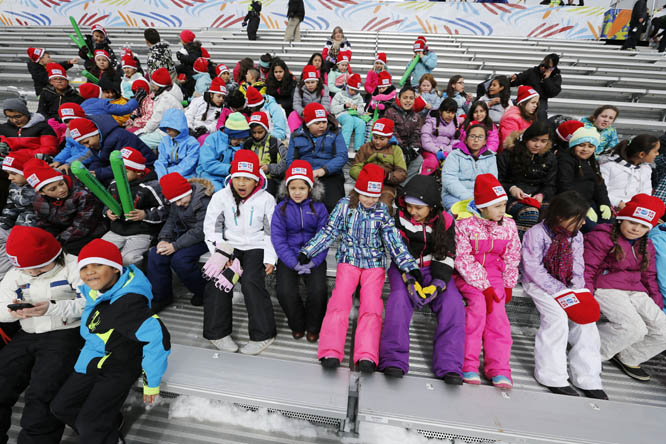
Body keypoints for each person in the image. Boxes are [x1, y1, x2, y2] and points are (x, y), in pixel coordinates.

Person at [300, 164, 421, 372]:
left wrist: (409, 265)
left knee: (372, 306)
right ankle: (331, 350)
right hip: (349, 259)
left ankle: (367, 354)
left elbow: (393, 239)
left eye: (374, 196)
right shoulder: (345, 206)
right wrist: (308, 251)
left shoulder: (382, 210)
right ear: (357, 191)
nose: (370, 200)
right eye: (366, 195)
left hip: (374, 263)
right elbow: (329, 231)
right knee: (339, 301)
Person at [50, 238, 171, 444]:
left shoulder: (128, 302)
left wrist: (151, 383)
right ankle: (110, 425)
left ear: (115, 268)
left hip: (121, 363)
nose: (90, 272)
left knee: (90, 423)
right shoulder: (94, 291)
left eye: (98, 264)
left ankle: (105, 435)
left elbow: (159, 339)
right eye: (85, 267)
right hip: (94, 356)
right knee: (61, 407)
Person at [0, 226, 83, 444]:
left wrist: (51, 308)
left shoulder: (76, 267)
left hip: (65, 333)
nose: (34, 273)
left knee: (42, 393)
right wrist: (12, 311)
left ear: (56, 254)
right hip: (27, 332)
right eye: (28, 269)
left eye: (40, 267)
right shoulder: (15, 274)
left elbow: (91, 304)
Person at [379, 175, 465, 383]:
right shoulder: (400, 219)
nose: (412, 212)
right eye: (409, 206)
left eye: (418, 208)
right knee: (399, 300)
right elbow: (399, 250)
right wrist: (410, 279)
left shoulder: (445, 221)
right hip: (405, 267)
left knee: (454, 305)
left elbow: (446, 252)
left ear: (431, 206)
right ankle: (393, 359)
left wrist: (438, 283)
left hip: (434, 267)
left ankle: (449, 365)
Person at [521, 191, 607, 399]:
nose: (583, 222)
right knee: (557, 318)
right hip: (539, 284)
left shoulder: (576, 235)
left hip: (566, 285)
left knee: (586, 321)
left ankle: (588, 378)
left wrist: (576, 289)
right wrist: (560, 291)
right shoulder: (536, 233)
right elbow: (533, 268)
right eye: (578, 218)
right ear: (561, 216)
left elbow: (578, 264)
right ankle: (552, 376)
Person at [584, 194, 666, 381]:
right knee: (633, 328)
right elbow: (587, 269)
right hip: (607, 288)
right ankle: (589, 353)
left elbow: (649, 276)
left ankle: (629, 355)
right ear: (621, 218)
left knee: (664, 329)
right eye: (632, 222)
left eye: (644, 226)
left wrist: (657, 303)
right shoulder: (602, 237)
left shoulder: (647, 245)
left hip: (636, 291)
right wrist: (586, 296)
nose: (636, 229)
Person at [202, 150, 277, 355]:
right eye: (237, 178)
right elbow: (212, 228)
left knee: (252, 281)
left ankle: (263, 334)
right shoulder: (221, 197)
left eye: (247, 178)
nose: (241, 183)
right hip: (229, 246)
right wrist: (221, 254)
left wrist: (270, 258)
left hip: (256, 246)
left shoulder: (267, 199)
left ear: (256, 180)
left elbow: (273, 232)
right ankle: (218, 333)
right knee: (218, 279)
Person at [454, 174, 521, 389]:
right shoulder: (464, 225)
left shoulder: (508, 225)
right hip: (469, 276)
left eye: (504, 205)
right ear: (482, 207)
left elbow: (512, 256)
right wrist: (484, 286)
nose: (502, 211)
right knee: (477, 310)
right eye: (497, 206)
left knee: (498, 317)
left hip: (495, 274)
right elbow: (462, 258)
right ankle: (468, 364)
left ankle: (499, 368)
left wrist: (508, 284)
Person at [271, 161, 328, 341]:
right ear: (286, 188)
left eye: (302, 188)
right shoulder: (281, 209)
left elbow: (324, 237)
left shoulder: (319, 208)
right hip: (290, 255)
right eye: (293, 188)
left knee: (318, 290)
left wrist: (314, 261)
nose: (297, 192)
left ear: (310, 188)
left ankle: (313, 325)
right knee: (285, 291)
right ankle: (297, 324)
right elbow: (278, 239)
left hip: (313, 255)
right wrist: (292, 263)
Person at [147, 172, 212, 311]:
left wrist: (175, 246)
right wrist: (164, 239)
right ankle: (161, 296)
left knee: (181, 260)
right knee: (155, 254)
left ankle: (203, 291)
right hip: (184, 235)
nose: (178, 204)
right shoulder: (178, 203)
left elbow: (201, 230)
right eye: (174, 201)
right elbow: (171, 220)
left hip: (205, 237)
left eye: (180, 199)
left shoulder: (204, 200)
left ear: (188, 190)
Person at [24, 158, 107, 255]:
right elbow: (42, 222)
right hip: (64, 233)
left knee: (63, 251)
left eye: (61, 184)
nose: (61, 190)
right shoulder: (38, 200)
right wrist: (48, 237)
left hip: (90, 231)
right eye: (53, 189)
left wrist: (58, 240)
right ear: (41, 192)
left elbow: (82, 225)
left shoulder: (81, 195)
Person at [101, 147, 166, 266]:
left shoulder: (151, 187)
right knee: (100, 253)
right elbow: (107, 203)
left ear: (138, 172)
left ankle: (135, 279)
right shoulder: (113, 184)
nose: (119, 175)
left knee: (128, 259)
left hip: (141, 232)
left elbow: (165, 209)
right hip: (116, 231)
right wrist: (108, 212)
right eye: (116, 171)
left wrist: (145, 214)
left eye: (124, 172)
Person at [498, 121, 557, 237]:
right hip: (511, 197)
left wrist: (542, 194)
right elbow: (498, 180)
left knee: (554, 212)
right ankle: (518, 246)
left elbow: (551, 184)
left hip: (538, 197)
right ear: (526, 139)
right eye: (534, 140)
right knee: (530, 213)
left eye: (543, 141)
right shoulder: (509, 154)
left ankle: (544, 249)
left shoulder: (549, 158)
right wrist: (511, 188)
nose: (538, 145)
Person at [286, 103, 347, 213]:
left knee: (332, 204)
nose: (322, 125)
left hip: (329, 173)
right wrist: (302, 173)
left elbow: (342, 156)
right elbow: (291, 160)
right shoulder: (296, 135)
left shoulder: (335, 133)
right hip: (304, 174)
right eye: (317, 123)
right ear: (308, 124)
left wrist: (323, 170)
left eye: (324, 122)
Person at [68, 116, 156, 186]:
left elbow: (125, 164)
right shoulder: (96, 142)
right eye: (83, 144)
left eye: (86, 142)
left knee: (113, 185)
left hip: (143, 168)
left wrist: (99, 173)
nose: (87, 146)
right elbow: (99, 159)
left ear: (95, 134)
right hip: (121, 168)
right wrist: (92, 172)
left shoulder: (120, 137)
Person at [557, 127, 612, 232]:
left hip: (590, 203)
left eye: (590, 146)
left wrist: (605, 203)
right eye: (581, 145)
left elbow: (599, 185)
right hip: (572, 203)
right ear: (573, 145)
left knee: (608, 225)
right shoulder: (566, 160)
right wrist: (583, 207)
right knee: (591, 227)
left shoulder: (592, 162)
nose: (585, 149)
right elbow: (564, 186)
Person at [350, 118, 407, 212]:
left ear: (388, 138)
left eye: (382, 139)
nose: (377, 142)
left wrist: (386, 176)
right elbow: (354, 168)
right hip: (364, 184)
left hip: (385, 186)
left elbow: (402, 173)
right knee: (352, 201)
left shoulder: (395, 150)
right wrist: (367, 176)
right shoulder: (365, 148)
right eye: (375, 137)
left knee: (384, 205)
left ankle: (381, 225)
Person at [441, 123, 498, 210]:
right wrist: (469, 197)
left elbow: (491, 181)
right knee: (462, 212)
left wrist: (481, 199)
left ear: (485, 141)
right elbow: (449, 179)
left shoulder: (490, 157)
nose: (476, 140)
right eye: (472, 136)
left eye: (480, 137)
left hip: (480, 198)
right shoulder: (455, 155)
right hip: (454, 196)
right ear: (466, 139)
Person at [0, 152, 38, 279]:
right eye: (8, 174)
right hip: (17, 226)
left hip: (31, 229)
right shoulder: (15, 185)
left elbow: (40, 214)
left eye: (13, 173)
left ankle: (6, 275)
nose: (10, 178)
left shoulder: (39, 187)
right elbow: (10, 207)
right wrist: (3, 224)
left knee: (12, 246)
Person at [599, 134, 658, 209]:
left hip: (632, 210)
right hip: (609, 208)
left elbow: (645, 193)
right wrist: (617, 203)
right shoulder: (609, 166)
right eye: (655, 151)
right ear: (642, 154)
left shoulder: (646, 169)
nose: (657, 154)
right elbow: (600, 191)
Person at [197, 112, 250, 191]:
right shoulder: (212, 139)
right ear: (228, 135)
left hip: (230, 176)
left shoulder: (241, 144)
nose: (240, 142)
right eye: (237, 139)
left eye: (243, 139)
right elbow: (207, 164)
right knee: (219, 191)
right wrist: (229, 168)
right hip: (209, 174)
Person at [135, 68, 184, 149]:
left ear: (159, 85)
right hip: (168, 129)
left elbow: (156, 120)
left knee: (139, 141)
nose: (153, 86)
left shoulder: (166, 100)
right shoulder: (171, 92)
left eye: (154, 83)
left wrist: (143, 131)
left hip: (168, 133)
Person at [384, 85, 424, 182]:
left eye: (411, 98)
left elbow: (417, 134)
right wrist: (402, 147)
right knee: (401, 156)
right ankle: (392, 181)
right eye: (405, 98)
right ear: (399, 98)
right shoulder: (390, 112)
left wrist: (412, 149)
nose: (408, 101)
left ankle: (402, 185)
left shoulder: (416, 117)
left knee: (419, 159)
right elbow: (391, 131)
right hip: (394, 146)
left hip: (408, 148)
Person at [243, 112, 288, 197]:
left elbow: (286, 164)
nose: (257, 135)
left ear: (266, 129)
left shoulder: (275, 143)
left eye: (260, 132)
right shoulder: (248, 144)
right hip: (250, 178)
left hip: (271, 180)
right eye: (254, 132)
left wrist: (269, 168)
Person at [510, 53, 562, 120]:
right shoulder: (532, 71)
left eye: (546, 67)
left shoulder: (555, 77)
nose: (543, 68)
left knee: (541, 115)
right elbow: (519, 79)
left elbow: (552, 92)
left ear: (552, 68)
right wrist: (514, 78)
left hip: (540, 101)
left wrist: (547, 79)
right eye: (542, 65)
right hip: (526, 98)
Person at [155, 108, 200, 179]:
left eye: (170, 127)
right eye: (166, 127)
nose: (167, 130)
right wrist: (162, 176)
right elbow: (161, 161)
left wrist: (167, 172)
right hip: (164, 174)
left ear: (179, 126)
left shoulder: (192, 143)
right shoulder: (165, 141)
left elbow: (187, 166)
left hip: (186, 175)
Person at [420, 98, 459, 175]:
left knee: (453, 163)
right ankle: (423, 179)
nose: (450, 115)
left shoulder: (455, 124)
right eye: (447, 112)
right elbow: (425, 138)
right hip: (430, 150)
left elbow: (455, 141)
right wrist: (437, 150)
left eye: (453, 113)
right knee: (432, 162)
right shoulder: (431, 121)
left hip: (446, 151)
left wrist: (446, 150)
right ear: (441, 111)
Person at [331, 73, 367, 152]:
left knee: (361, 123)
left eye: (355, 90)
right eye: (351, 89)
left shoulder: (359, 97)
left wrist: (357, 108)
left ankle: (359, 149)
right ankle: (343, 147)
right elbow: (332, 109)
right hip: (341, 115)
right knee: (348, 120)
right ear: (347, 87)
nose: (353, 92)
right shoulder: (339, 94)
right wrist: (343, 106)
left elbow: (361, 111)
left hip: (353, 116)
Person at [289, 65, 330, 133]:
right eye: (307, 82)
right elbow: (296, 104)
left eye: (313, 82)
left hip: (319, 113)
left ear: (317, 81)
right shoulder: (299, 88)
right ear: (304, 82)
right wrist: (303, 112)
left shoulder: (324, 88)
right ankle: (294, 135)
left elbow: (326, 104)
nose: (310, 85)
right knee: (293, 115)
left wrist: (315, 114)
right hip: (304, 113)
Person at [185, 77, 227, 142]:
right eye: (219, 96)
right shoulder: (198, 101)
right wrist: (189, 128)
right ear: (211, 94)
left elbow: (216, 124)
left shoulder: (222, 109)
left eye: (223, 97)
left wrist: (206, 129)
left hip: (207, 134)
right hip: (191, 130)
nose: (221, 99)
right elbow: (189, 115)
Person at [175, 29, 203, 99]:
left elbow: (193, 59)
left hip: (192, 77)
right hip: (189, 75)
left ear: (184, 40)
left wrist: (181, 57)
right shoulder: (189, 48)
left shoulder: (194, 49)